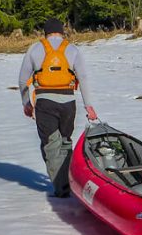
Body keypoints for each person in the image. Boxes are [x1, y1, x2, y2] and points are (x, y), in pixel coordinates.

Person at [18, 18, 97, 197]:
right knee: (65, 141)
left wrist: (26, 103)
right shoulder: (72, 49)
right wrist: (89, 106)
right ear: (62, 32)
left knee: (50, 145)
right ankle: (68, 181)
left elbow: (23, 80)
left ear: (45, 33)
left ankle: (63, 189)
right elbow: (83, 78)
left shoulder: (35, 49)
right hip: (68, 103)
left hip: (45, 103)